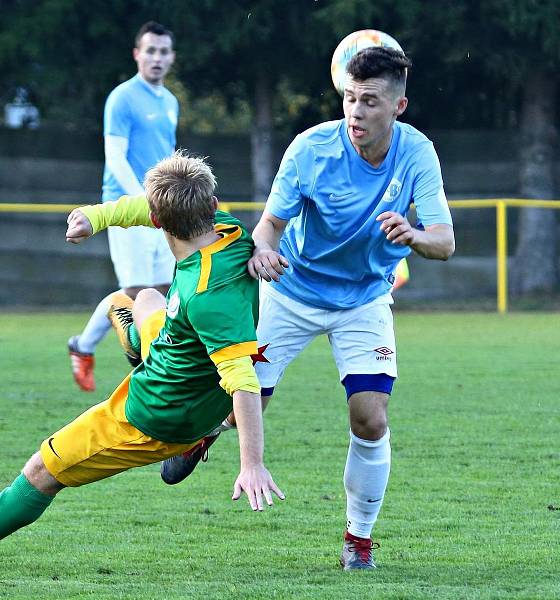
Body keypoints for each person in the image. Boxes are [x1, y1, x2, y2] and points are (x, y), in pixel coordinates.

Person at [0, 152, 284, 567]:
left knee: (43, 469)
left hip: (156, 415)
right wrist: (94, 217)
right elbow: (141, 206)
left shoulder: (207, 296)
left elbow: (242, 379)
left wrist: (252, 464)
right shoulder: (229, 229)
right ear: (211, 204)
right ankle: (139, 342)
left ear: (157, 222)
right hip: (182, 362)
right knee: (143, 297)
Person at [161, 47, 455, 570]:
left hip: (363, 299)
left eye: (369, 101)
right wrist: (266, 250)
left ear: (398, 106)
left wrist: (413, 235)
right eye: (349, 98)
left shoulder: (418, 154)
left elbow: (445, 242)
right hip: (292, 292)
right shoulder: (311, 148)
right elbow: (268, 226)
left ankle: (358, 541)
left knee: (370, 419)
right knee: (243, 404)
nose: (356, 112)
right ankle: (207, 431)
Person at [68, 21, 179, 392]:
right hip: (129, 208)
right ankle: (86, 348)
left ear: (172, 57)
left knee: (162, 291)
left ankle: (89, 347)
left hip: (161, 210)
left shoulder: (170, 102)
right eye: (150, 50)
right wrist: (143, 202)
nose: (157, 58)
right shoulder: (122, 98)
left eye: (163, 51)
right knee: (134, 293)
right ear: (137, 54)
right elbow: (115, 158)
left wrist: (171, 198)